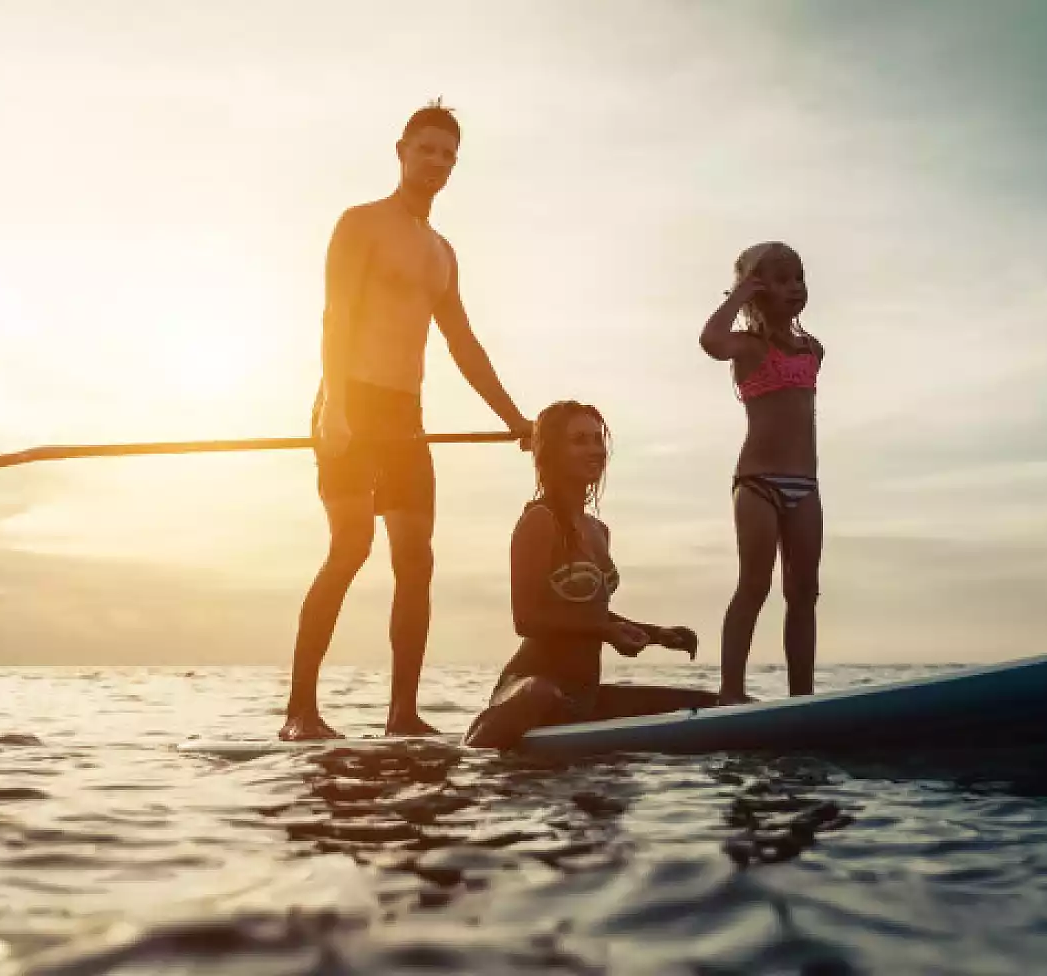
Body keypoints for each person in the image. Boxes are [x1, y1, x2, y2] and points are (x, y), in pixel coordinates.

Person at [280, 101, 534, 741]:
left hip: (404, 414)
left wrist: (515, 418)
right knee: (350, 547)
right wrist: (335, 407)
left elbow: (464, 345)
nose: (438, 163)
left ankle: (403, 714)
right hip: (349, 400)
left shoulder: (443, 253)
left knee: (415, 562)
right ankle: (300, 712)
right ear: (401, 150)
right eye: (427, 149)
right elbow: (335, 319)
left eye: (449, 155)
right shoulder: (359, 224)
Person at [463, 401, 716, 750]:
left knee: (707, 705)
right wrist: (605, 631)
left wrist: (656, 634)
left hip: (582, 696)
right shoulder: (539, 520)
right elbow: (527, 620)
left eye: (598, 440)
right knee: (540, 692)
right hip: (529, 688)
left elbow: (591, 614)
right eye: (580, 440)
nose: (595, 449)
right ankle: (471, 758)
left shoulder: (599, 530)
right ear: (552, 451)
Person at [698, 241, 824, 704]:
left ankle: (802, 698)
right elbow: (710, 340)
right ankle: (731, 692)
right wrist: (738, 294)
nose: (794, 287)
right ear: (756, 288)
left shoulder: (814, 349)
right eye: (781, 279)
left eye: (799, 277)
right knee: (754, 585)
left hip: (804, 486)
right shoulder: (747, 346)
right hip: (757, 484)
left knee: (805, 591)